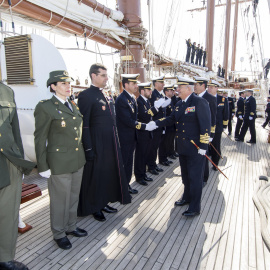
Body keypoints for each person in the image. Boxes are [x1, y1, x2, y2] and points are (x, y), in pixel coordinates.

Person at [34, 70, 87, 250]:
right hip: (58, 163)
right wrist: (42, 165)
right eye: (63, 83)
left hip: (77, 160)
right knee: (59, 200)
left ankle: (71, 226)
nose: (68, 86)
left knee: (73, 197)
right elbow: (40, 138)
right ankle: (58, 232)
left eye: (69, 83)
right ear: (53, 86)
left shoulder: (73, 105)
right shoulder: (45, 107)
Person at [149, 76, 211, 217]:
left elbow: (205, 125)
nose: (177, 90)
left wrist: (203, 145)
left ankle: (195, 207)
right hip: (182, 147)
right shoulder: (179, 104)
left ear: (188, 89)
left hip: (196, 148)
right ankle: (186, 197)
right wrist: (156, 123)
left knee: (195, 178)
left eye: (179, 88)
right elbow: (172, 119)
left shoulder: (199, 102)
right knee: (185, 175)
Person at [77, 64, 131, 222]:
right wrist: (88, 148)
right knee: (95, 176)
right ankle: (94, 206)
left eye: (106, 75)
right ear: (94, 76)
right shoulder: (86, 96)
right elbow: (84, 124)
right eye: (103, 75)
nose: (107, 78)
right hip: (96, 143)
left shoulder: (105, 94)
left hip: (109, 143)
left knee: (106, 174)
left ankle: (103, 202)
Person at [0, 82, 35, 270]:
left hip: (9, 162)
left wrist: (20, 161)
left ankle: (5, 258)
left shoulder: (6, 91)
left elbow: (15, 131)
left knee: (8, 214)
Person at [115, 74, 155, 193]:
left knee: (129, 163)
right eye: (133, 84)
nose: (136, 86)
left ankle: (126, 185)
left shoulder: (131, 98)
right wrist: (144, 126)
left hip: (132, 136)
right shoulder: (121, 99)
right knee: (125, 162)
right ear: (125, 85)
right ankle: (122, 187)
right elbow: (127, 120)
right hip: (125, 137)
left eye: (136, 84)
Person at [134, 82, 161, 186]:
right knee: (140, 155)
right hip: (141, 132)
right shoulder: (139, 101)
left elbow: (149, 116)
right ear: (142, 91)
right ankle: (139, 176)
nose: (150, 92)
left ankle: (143, 173)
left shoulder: (147, 101)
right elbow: (144, 116)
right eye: (148, 90)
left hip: (148, 132)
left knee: (145, 154)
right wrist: (155, 108)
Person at [194, 76, 217, 185]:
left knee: (204, 156)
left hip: (205, 133)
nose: (194, 87)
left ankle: (204, 178)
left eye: (196, 85)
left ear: (203, 85)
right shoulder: (194, 97)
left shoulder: (211, 98)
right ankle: (197, 175)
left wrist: (211, 134)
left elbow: (213, 118)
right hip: (195, 133)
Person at [147, 75, 171, 175]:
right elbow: (152, 110)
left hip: (160, 125)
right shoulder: (153, 95)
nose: (163, 84)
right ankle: (151, 166)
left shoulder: (160, 95)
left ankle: (154, 164)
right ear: (156, 84)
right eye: (161, 83)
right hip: (155, 125)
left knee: (156, 146)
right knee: (153, 147)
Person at [207, 80, 229, 169]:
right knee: (206, 146)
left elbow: (225, 113)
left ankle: (215, 164)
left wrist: (224, 125)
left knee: (216, 145)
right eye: (208, 87)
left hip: (217, 127)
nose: (209, 89)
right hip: (206, 127)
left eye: (211, 87)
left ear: (216, 88)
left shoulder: (223, 100)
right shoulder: (204, 98)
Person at [158, 84, 176, 165]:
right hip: (166, 125)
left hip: (171, 125)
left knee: (170, 141)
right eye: (170, 90)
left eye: (172, 90)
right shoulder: (164, 100)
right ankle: (163, 158)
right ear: (166, 92)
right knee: (164, 143)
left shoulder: (171, 100)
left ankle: (168, 154)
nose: (172, 92)